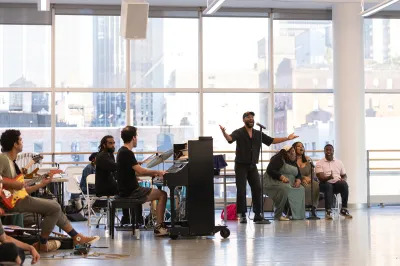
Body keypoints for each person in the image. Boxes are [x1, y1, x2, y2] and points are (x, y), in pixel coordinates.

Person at [0, 129, 99, 253]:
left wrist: (42, 184)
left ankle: (77, 237)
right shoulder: (3, 159)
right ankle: (43, 243)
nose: (22, 142)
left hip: (19, 198)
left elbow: (22, 189)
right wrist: (15, 183)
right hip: (12, 203)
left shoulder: (12, 162)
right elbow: (12, 184)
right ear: (15, 144)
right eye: (20, 140)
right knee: (54, 207)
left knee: (55, 206)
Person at [219, 111, 298, 223]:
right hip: (241, 165)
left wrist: (287, 138)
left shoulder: (258, 133)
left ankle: (257, 215)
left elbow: (271, 140)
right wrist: (224, 133)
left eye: (252, 117)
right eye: (248, 117)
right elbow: (230, 139)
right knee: (241, 189)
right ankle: (242, 215)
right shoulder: (239, 132)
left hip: (252, 165)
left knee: (257, 188)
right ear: (244, 120)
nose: (251, 119)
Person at [116, 126, 168, 236]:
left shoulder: (122, 151)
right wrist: (158, 172)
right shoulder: (127, 152)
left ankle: (158, 225)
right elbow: (140, 171)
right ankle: (159, 227)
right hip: (132, 191)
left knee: (160, 193)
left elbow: (132, 171)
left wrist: (151, 173)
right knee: (163, 194)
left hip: (127, 190)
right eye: (137, 136)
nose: (137, 139)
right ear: (133, 138)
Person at [263, 146, 305, 220]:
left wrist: (298, 180)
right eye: (292, 151)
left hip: (290, 183)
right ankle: (278, 215)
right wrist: (281, 177)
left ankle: (296, 214)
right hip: (272, 182)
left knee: (301, 188)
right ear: (287, 153)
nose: (294, 153)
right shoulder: (279, 158)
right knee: (285, 188)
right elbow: (270, 170)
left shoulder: (294, 162)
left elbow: (298, 174)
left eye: (294, 151)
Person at [315, 144, 353, 220]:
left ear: (333, 151)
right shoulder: (319, 163)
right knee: (328, 186)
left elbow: (344, 175)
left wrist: (343, 179)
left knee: (344, 184)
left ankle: (344, 209)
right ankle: (328, 211)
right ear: (324, 151)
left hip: (336, 184)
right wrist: (329, 177)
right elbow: (321, 178)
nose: (328, 151)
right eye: (327, 150)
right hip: (324, 184)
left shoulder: (339, 162)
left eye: (330, 150)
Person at [293, 142, 320, 217]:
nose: (301, 148)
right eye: (298, 146)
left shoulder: (308, 159)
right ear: (294, 149)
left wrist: (309, 178)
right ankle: (303, 207)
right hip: (297, 179)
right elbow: (292, 172)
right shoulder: (291, 160)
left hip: (309, 179)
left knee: (315, 185)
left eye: (302, 146)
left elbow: (312, 171)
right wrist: (302, 178)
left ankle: (313, 208)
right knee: (304, 187)